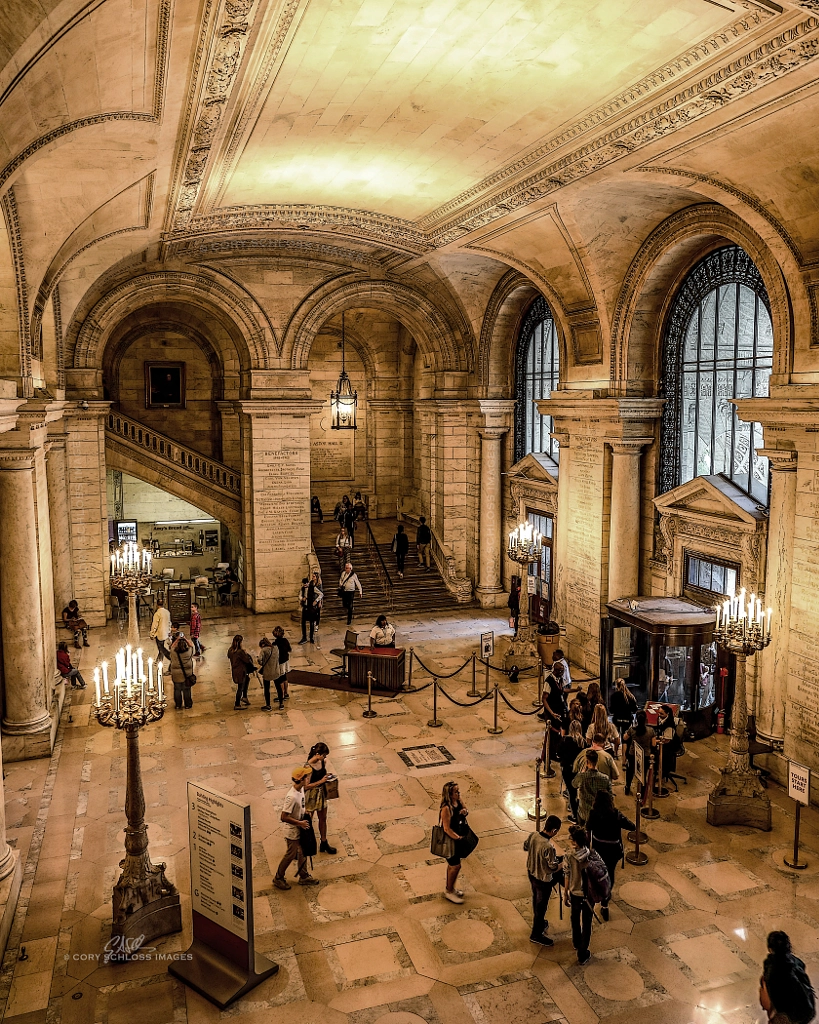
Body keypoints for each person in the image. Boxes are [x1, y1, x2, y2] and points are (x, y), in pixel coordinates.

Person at [586, 789, 635, 920]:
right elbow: (631, 826)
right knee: (610, 874)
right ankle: (605, 903)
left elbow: (588, 829)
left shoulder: (593, 813)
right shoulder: (615, 814)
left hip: (598, 850)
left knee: (598, 873)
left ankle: (596, 894)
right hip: (613, 850)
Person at [273, 766, 320, 890]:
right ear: (302, 779)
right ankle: (278, 877)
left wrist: (305, 813)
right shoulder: (292, 796)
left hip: (300, 826)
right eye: (307, 776)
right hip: (292, 830)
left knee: (303, 851)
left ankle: (303, 876)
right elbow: (283, 816)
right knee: (290, 854)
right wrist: (300, 823)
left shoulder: (301, 790)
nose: (308, 778)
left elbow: (302, 803)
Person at [523, 814, 563, 945]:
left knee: (536, 899)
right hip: (542, 879)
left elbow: (526, 846)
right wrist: (562, 864)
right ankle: (536, 934)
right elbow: (552, 867)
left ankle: (540, 923)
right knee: (542, 905)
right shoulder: (548, 846)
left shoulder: (533, 835)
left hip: (531, 873)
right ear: (554, 831)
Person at [760, 931, 816, 1024]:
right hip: (808, 1009)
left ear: (770, 949)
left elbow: (774, 1000)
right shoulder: (796, 961)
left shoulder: (771, 970)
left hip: (792, 1016)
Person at [439, 780, 477, 904]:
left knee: (454, 866)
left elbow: (465, 808)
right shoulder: (446, 808)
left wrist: (465, 811)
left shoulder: (458, 801)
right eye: (456, 792)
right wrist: (458, 838)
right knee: (454, 866)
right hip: (451, 841)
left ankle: (450, 889)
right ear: (449, 795)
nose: (458, 793)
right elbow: (446, 828)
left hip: (458, 837)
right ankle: (449, 891)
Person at [564, 825, 593, 964]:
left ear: (576, 842)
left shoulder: (569, 856)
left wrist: (566, 892)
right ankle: (583, 953)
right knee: (587, 923)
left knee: (575, 918)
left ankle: (576, 942)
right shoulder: (591, 854)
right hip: (588, 895)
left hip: (575, 893)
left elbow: (567, 874)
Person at [304, 742, 337, 854]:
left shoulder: (323, 761)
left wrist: (327, 777)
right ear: (317, 754)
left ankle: (324, 842)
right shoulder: (308, 767)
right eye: (324, 755)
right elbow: (306, 786)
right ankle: (306, 844)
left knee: (323, 818)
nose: (325, 757)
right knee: (308, 820)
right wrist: (321, 781)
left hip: (321, 794)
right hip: (311, 796)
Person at [572, 749, 612, 825]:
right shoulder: (605, 778)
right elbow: (610, 795)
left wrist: (582, 772)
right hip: (598, 812)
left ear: (587, 762)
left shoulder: (581, 776)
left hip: (583, 812)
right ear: (597, 761)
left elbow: (574, 784)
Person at [623, 711, 655, 796]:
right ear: (646, 719)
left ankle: (627, 786)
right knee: (643, 773)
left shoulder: (632, 730)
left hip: (633, 754)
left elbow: (625, 738)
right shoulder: (651, 730)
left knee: (630, 771)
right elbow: (653, 744)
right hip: (646, 755)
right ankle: (643, 792)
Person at [559, 720, 585, 822]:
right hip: (580, 770)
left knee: (571, 791)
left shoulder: (565, 740)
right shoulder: (583, 742)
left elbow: (558, 753)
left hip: (568, 769)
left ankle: (574, 815)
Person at [169, 624, 195, 710]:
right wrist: (185, 639)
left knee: (177, 690)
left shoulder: (173, 652)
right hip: (186, 674)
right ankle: (188, 704)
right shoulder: (188, 652)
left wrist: (177, 640)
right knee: (186, 690)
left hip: (176, 674)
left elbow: (172, 647)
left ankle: (178, 705)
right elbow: (191, 645)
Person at [227, 634, 255, 710]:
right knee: (240, 687)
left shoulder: (230, 650)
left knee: (247, 680)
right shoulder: (240, 652)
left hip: (235, 670)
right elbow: (247, 660)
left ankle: (245, 697)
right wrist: (245, 653)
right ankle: (237, 704)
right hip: (241, 671)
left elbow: (229, 656)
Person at [258, 637, 282, 711]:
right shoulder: (276, 648)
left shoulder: (263, 650)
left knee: (267, 689)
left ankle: (268, 705)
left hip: (267, 672)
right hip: (276, 671)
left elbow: (259, 660)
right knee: (278, 688)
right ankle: (281, 704)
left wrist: (262, 663)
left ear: (262, 645)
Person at [149, 595, 171, 666]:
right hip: (166, 632)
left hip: (159, 633)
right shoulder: (167, 612)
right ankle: (159, 660)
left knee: (161, 648)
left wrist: (152, 634)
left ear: (157, 604)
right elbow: (169, 623)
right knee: (161, 648)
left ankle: (164, 659)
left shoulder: (157, 613)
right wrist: (169, 631)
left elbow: (154, 625)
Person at [273, 626, 291, 701]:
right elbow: (289, 649)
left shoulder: (275, 643)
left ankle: (282, 695)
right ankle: (286, 693)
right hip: (286, 660)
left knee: (280, 679)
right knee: (285, 677)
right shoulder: (285, 640)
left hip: (280, 662)